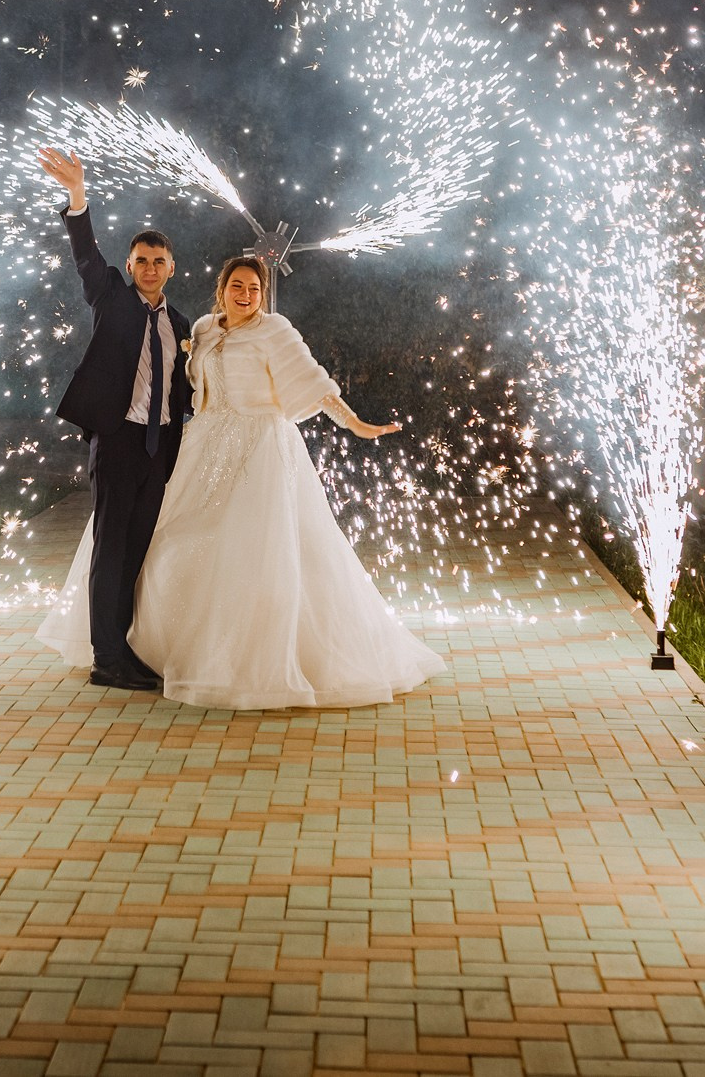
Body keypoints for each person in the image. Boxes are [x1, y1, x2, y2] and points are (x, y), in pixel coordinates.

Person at [42, 253, 445, 710]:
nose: (247, 295)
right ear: (223, 288)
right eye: (238, 286)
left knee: (253, 554)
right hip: (205, 446)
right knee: (165, 543)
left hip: (260, 449)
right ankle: (134, 649)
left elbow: (313, 384)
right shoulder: (202, 330)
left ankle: (243, 661)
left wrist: (355, 423)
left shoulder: (274, 330)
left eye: (254, 289)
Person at [35, 146, 191, 692]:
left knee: (139, 547)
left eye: (158, 261)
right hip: (120, 440)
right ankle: (106, 657)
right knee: (111, 545)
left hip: (160, 450)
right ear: (129, 267)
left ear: (172, 268)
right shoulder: (110, 298)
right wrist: (77, 194)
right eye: (141, 260)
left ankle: (122, 646)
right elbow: (83, 253)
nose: (149, 268)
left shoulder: (180, 322)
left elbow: (186, 388)